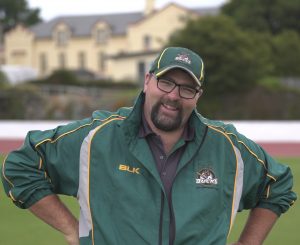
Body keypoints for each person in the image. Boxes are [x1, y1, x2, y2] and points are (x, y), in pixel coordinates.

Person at [1, 47, 297, 245]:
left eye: (187, 88)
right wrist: (71, 231)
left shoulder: (228, 149)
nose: (173, 95)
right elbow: (21, 165)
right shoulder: (96, 138)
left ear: (198, 95)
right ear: (147, 81)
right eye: (165, 82)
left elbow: (278, 184)